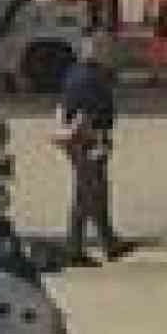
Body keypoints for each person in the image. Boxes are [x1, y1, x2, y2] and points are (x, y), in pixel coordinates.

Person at [52, 45, 123, 266]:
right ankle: (77, 248)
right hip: (86, 140)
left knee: (90, 191)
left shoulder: (75, 73)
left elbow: (67, 107)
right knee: (90, 193)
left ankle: (108, 242)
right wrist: (98, 142)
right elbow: (87, 114)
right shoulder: (92, 79)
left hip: (79, 139)